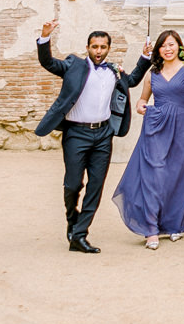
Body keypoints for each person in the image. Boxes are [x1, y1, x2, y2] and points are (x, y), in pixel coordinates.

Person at [35, 20, 150, 253]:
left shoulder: (114, 71)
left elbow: (134, 80)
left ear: (108, 48)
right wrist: (45, 38)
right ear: (88, 47)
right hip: (76, 133)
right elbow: (48, 63)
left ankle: (79, 235)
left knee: (95, 186)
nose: (99, 51)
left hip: (103, 135)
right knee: (73, 184)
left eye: (103, 47)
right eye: (95, 47)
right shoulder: (73, 65)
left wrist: (144, 57)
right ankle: (72, 220)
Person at [112, 29, 184, 249]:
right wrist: (141, 106)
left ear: (179, 47)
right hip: (156, 127)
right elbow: (141, 101)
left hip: (183, 126)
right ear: (158, 49)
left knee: (177, 176)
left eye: (172, 44)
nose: (168, 49)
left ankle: (174, 224)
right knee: (154, 176)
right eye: (163, 45)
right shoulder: (152, 73)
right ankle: (151, 229)